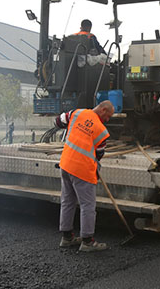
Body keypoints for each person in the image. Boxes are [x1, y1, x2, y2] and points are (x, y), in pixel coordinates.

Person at [55, 100, 114, 251]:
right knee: (88, 205)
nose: (108, 120)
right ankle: (87, 242)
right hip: (82, 170)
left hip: (66, 164)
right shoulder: (101, 130)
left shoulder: (77, 113)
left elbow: (58, 121)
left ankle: (66, 237)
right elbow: (99, 154)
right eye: (108, 116)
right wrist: (95, 169)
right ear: (103, 110)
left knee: (67, 201)